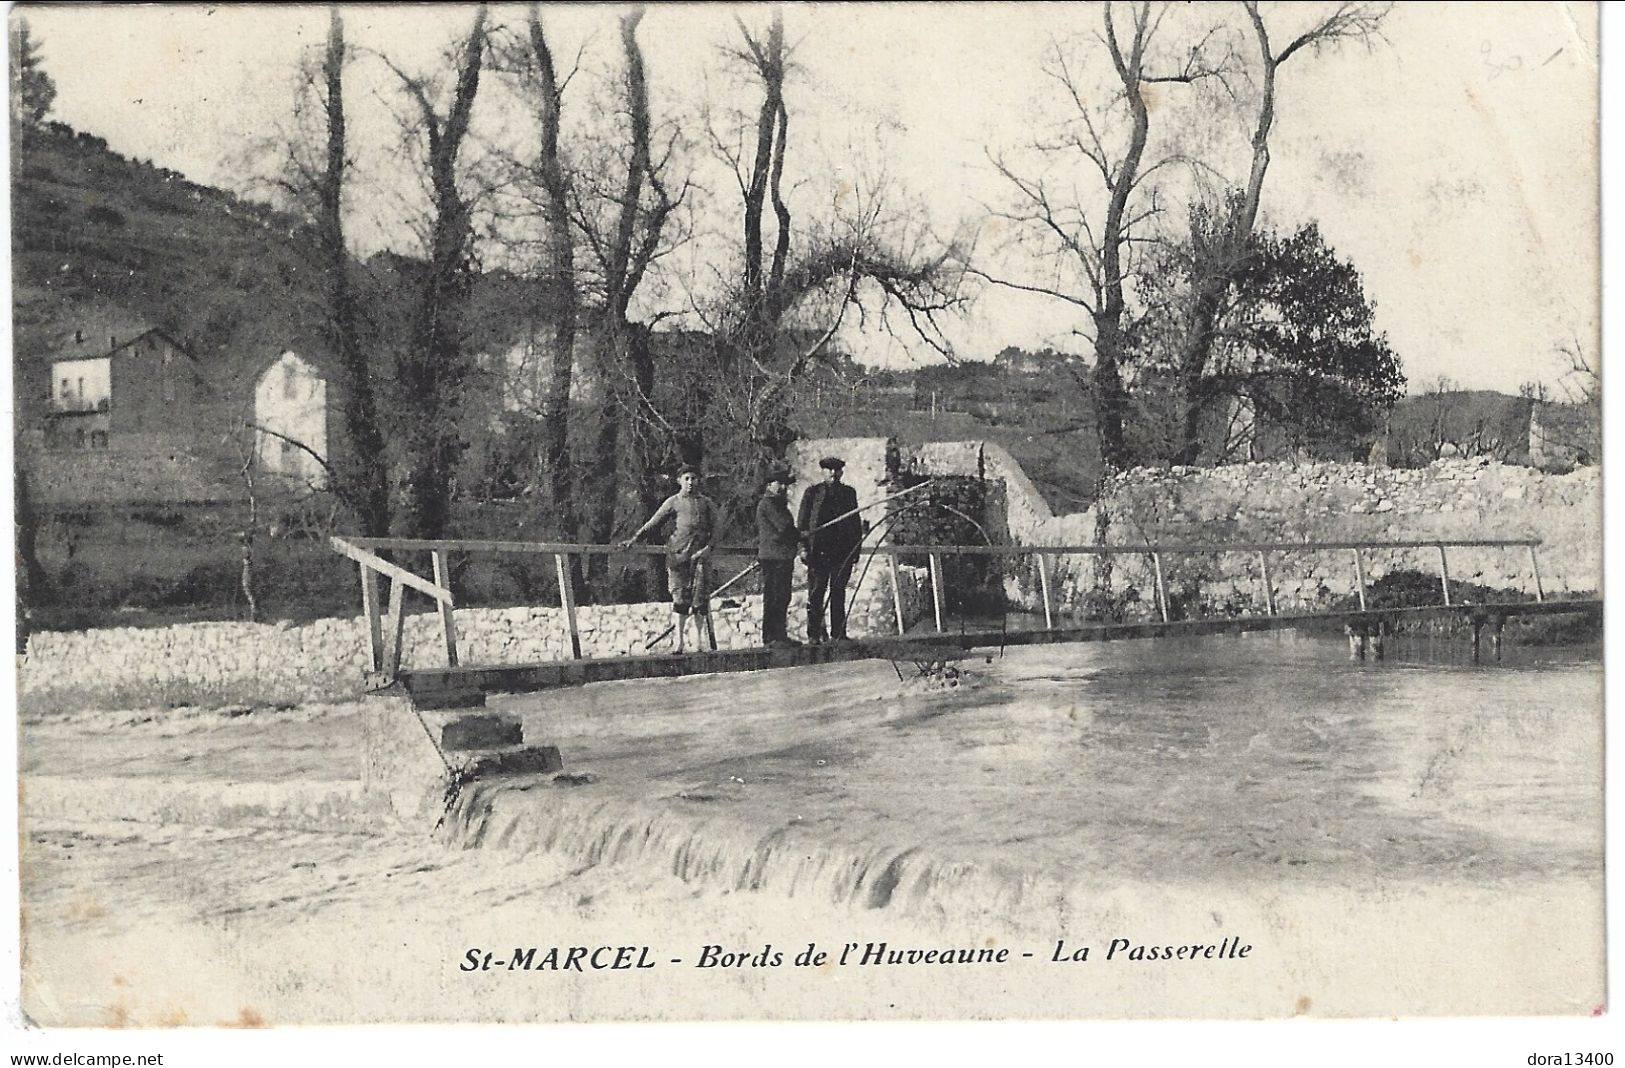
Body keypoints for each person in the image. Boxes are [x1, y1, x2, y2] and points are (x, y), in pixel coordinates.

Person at [619, 464, 718, 654]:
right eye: (686, 478)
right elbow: (654, 522)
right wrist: (634, 539)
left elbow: (718, 528)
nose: (690, 482)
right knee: (680, 598)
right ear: (679, 481)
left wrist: (709, 548)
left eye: (693, 478)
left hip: (700, 558)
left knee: (700, 600)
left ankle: (699, 641)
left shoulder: (706, 503)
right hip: (678, 556)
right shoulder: (673, 502)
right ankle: (679, 641)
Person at [797, 455, 862, 643]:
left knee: (838, 591)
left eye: (836, 470)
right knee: (816, 593)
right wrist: (803, 548)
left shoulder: (849, 493)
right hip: (818, 553)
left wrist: (855, 551)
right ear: (823, 471)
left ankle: (838, 633)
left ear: (841, 472)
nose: (833, 473)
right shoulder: (812, 493)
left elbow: (855, 523)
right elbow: (802, 524)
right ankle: (814, 634)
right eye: (829, 470)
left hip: (841, 552)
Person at [756, 463, 802, 649]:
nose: (783, 487)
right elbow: (783, 528)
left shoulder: (780, 504)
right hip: (773, 557)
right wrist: (801, 534)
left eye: (785, 484)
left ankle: (780, 635)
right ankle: (770, 637)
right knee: (773, 597)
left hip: (783, 557)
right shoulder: (768, 504)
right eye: (779, 483)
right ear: (769, 485)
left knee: (783, 596)